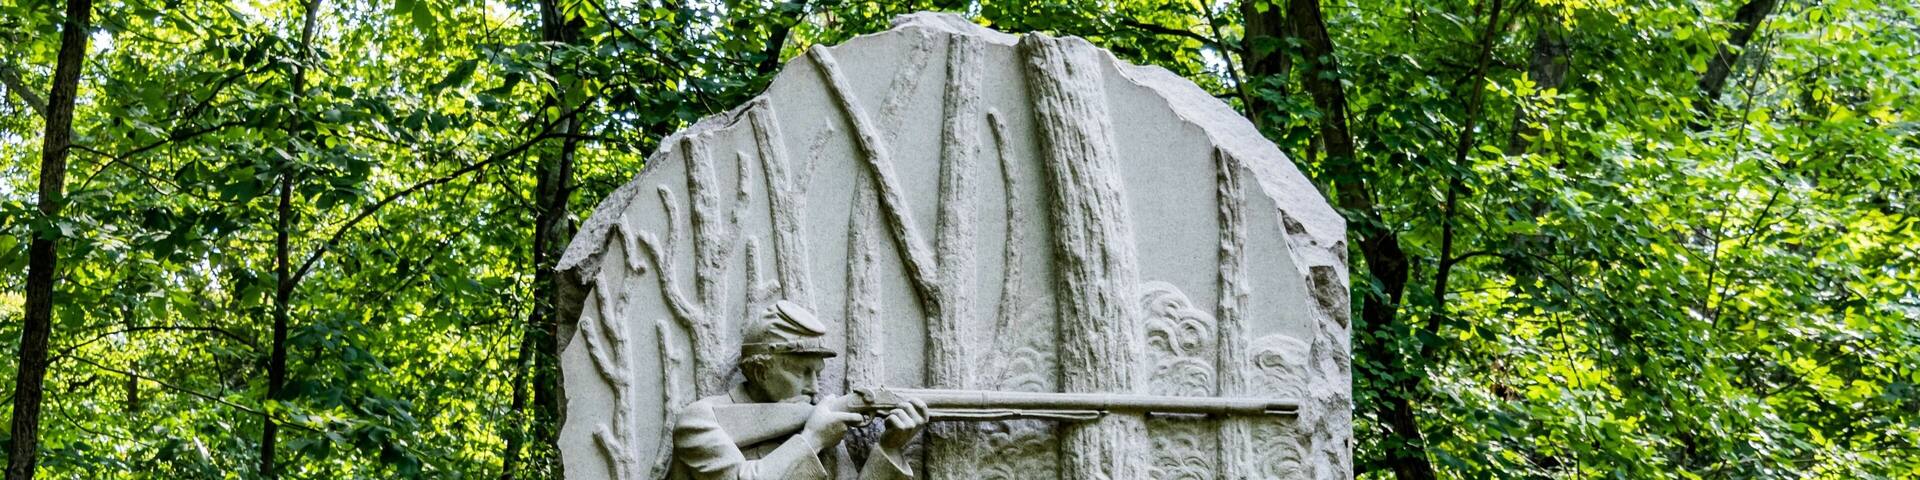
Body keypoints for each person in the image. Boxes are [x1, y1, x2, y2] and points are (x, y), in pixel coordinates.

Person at [669, 300, 929, 480]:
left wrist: (890, 449)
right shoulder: (701, 420)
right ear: (760, 371)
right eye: (802, 372)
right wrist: (812, 439)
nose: (814, 387)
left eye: (817, 373)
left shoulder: (818, 424)